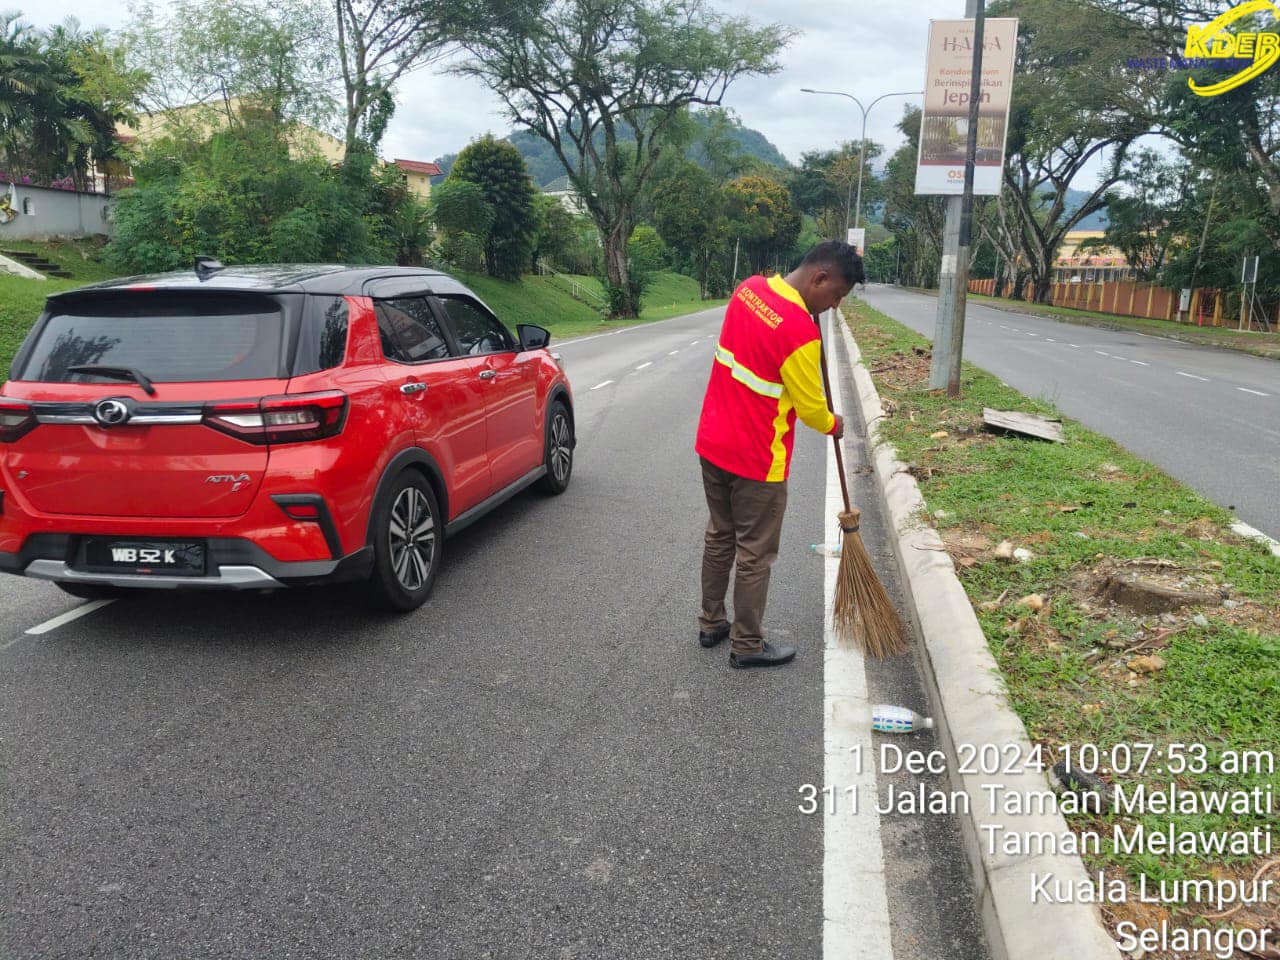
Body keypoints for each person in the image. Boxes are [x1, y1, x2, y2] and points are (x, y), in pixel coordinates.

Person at [694, 240, 865, 669]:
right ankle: (747, 645)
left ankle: (711, 622)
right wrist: (834, 423)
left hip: (713, 443)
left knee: (720, 535)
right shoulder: (800, 332)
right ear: (819, 278)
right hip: (756, 462)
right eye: (836, 296)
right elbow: (812, 411)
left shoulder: (748, 289)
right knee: (755, 553)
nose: (833, 307)